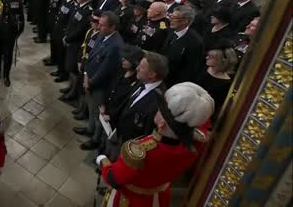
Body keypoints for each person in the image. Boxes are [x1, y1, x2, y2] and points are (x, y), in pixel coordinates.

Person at [97, 82, 214, 207]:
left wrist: (102, 160)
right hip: (158, 196)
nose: (156, 111)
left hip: (132, 200)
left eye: (159, 110)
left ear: (161, 123)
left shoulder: (142, 151)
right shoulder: (196, 143)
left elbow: (113, 178)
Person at [76, 11, 123, 150]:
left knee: (98, 115)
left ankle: (96, 139)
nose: (98, 27)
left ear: (112, 27)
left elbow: (105, 70)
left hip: (100, 85)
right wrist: (85, 75)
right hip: (89, 78)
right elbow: (91, 56)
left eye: (102, 25)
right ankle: (90, 129)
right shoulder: (102, 35)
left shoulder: (115, 45)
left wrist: (90, 82)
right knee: (91, 109)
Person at [160, 5, 204, 87]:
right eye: (171, 16)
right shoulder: (171, 31)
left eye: (174, 18)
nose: (170, 20)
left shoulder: (195, 42)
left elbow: (190, 69)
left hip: (173, 83)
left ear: (185, 21)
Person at [199, 40, 237, 123]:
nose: (206, 58)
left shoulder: (226, 84)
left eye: (211, 57)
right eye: (207, 55)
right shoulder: (203, 67)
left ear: (222, 60)